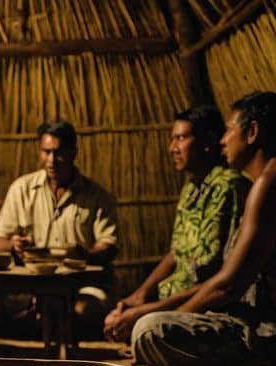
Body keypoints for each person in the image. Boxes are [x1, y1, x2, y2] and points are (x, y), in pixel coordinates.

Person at [130, 91, 276, 366]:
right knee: (151, 327)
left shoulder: (274, 183)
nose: (222, 140)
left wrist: (181, 317)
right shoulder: (271, 179)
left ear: (252, 132)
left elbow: (227, 284)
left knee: (151, 330)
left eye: (229, 130)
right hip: (260, 323)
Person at [104, 105, 250, 342]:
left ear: (208, 141)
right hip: (172, 300)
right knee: (118, 318)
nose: (173, 148)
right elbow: (176, 251)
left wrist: (149, 312)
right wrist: (140, 296)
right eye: (173, 140)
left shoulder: (229, 188)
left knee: (143, 330)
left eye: (181, 138)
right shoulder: (191, 188)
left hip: (207, 307)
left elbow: (221, 279)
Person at [0, 120, 118, 336]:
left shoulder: (97, 196)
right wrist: (13, 246)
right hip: (32, 286)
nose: (51, 161)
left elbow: (109, 245)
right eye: (46, 152)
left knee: (82, 310)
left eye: (58, 153)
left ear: (73, 152)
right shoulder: (22, 189)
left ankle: (48, 321)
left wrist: (85, 255)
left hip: (82, 286)